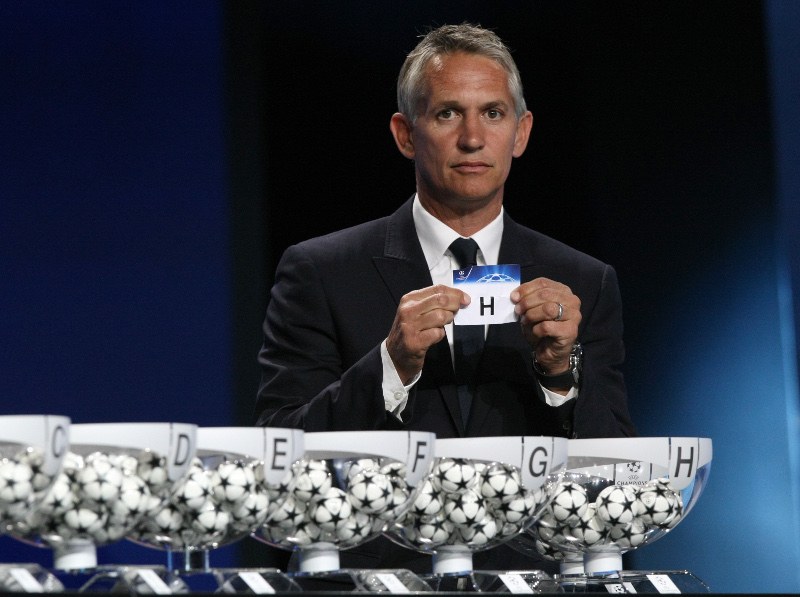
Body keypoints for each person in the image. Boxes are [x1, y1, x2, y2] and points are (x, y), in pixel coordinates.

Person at [255, 24, 636, 571]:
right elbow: (278, 452)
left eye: (494, 113)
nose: (473, 138)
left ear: (522, 132)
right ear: (405, 134)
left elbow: (619, 476)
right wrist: (389, 366)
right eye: (447, 113)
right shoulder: (319, 271)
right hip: (371, 580)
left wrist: (561, 373)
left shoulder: (583, 281)